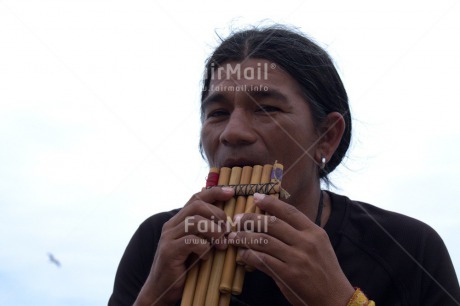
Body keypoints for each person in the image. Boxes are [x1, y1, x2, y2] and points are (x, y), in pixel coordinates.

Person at [108, 26, 460, 306]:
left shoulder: (409, 249)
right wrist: (152, 298)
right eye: (218, 113)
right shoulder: (159, 242)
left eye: (266, 109)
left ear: (326, 137)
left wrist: (339, 301)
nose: (233, 133)